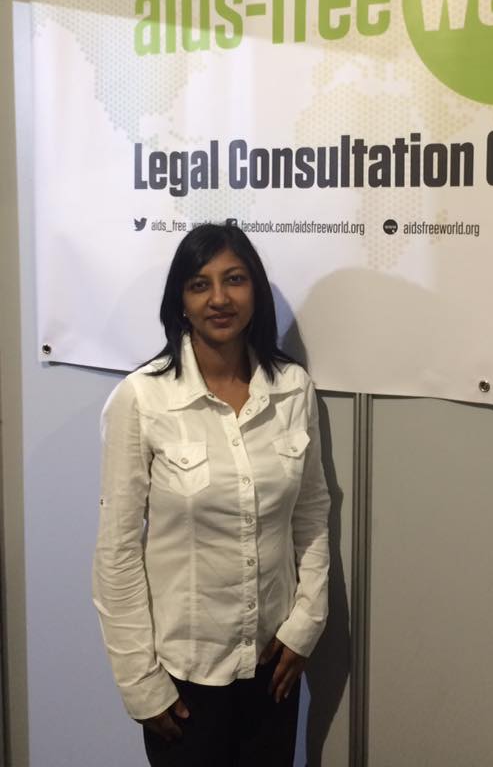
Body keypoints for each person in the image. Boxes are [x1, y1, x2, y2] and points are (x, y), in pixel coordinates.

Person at [92, 223, 330, 766]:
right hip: (183, 679)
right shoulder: (143, 398)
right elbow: (117, 552)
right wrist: (139, 682)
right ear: (181, 300)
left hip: (274, 664)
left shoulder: (292, 388)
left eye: (234, 280)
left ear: (255, 291)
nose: (219, 298)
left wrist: (306, 623)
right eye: (200, 284)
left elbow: (312, 513)